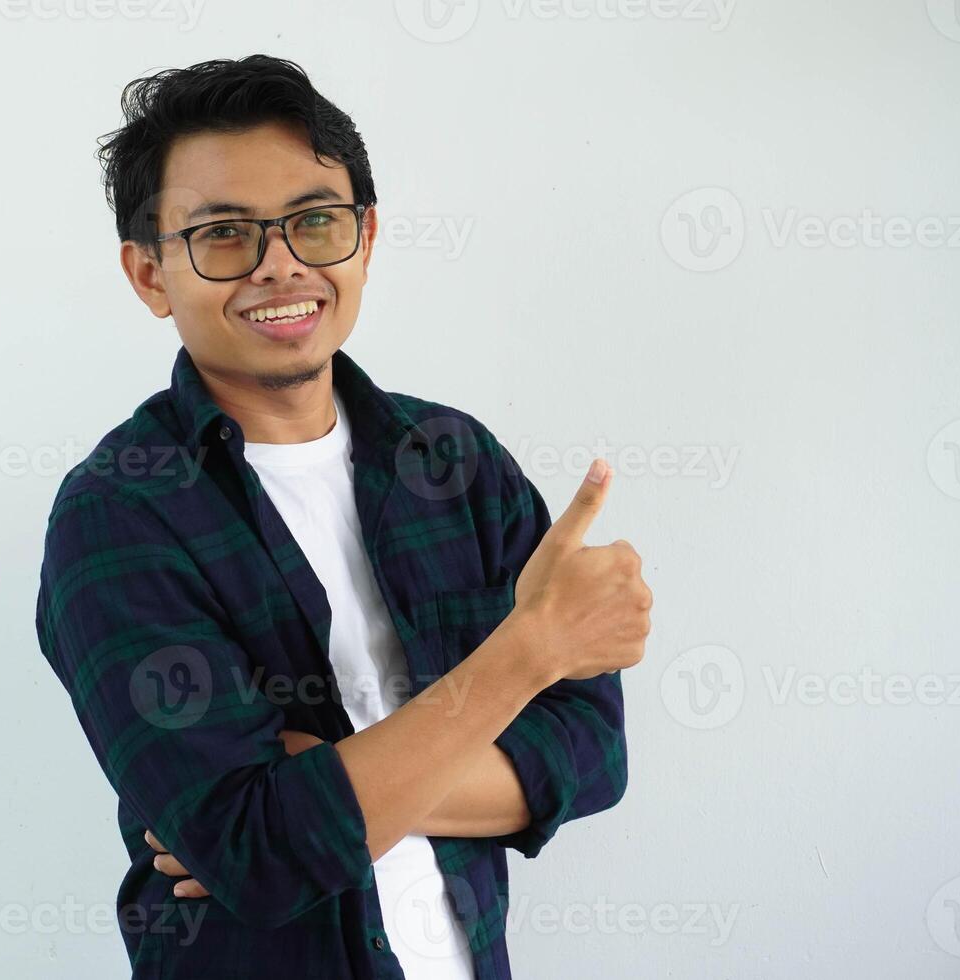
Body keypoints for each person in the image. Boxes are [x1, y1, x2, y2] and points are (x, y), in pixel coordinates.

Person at [33, 54, 651, 979]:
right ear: (150, 274)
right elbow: (257, 849)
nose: (281, 263)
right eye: (224, 234)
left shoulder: (456, 462)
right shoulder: (117, 512)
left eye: (314, 220)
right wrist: (528, 657)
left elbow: (592, 757)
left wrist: (317, 785)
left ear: (364, 238)